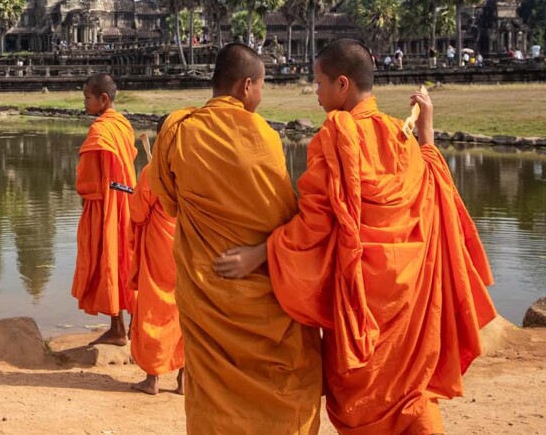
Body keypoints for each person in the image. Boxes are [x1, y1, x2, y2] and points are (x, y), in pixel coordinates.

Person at [216, 38, 496, 434]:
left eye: (319, 83)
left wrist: (261, 253)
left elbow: (316, 222)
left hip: (364, 296)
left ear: (342, 85)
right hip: (412, 293)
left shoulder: (337, 137)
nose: (315, 92)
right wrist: (427, 126)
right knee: (412, 391)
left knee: (363, 397)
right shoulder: (403, 138)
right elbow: (433, 185)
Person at [151, 43, 321, 434]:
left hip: (206, 286)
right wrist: (264, 252)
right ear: (247, 86)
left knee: (212, 392)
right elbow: (284, 215)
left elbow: (169, 202)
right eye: (262, 85)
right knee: (283, 384)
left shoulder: (178, 130)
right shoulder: (262, 135)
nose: (261, 94)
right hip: (262, 294)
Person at [72, 72, 137, 346]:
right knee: (127, 260)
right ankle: (130, 329)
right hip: (128, 201)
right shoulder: (123, 124)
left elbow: (86, 178)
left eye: (88, 98)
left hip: (106, 205)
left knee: (109, 259)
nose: (85, 103)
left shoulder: (100, 129)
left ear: (103, 99)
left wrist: (85, 197)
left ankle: (118, 328)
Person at [128, 116, 184, 396]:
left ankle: (152, 379)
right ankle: (184, 381)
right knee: (185, 309)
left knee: (155, 308)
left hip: (159, 250)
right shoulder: (196, 169)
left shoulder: (153, 172)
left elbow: (137, 213)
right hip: (188, 248)